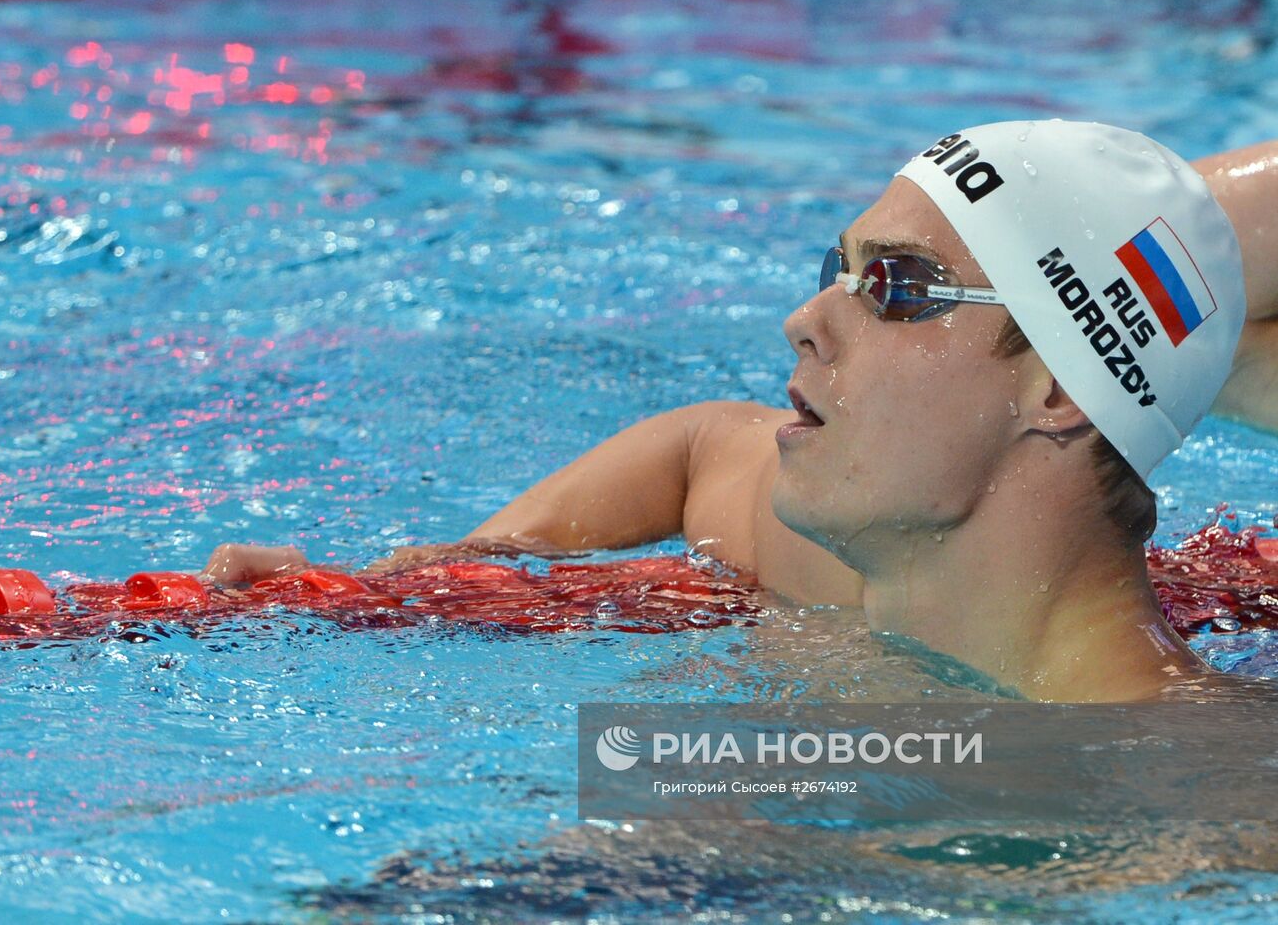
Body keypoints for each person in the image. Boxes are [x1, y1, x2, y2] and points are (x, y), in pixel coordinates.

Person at [203, 121, 1278, 701]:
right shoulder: (856, 567)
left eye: (893, 287)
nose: (802, 320)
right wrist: (471, 564)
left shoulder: (1195, 805)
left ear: (1053, 391)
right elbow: (705, 445)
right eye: (834, 269)